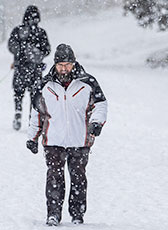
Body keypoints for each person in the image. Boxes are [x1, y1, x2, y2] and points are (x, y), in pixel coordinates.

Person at [26, 44, 108, 226]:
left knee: (78, 176)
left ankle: (77, 214)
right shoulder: (44, 85)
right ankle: (53, 214)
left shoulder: (88, 82)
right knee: (54, 177)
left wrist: (96, 123)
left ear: (74, 63)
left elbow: (101, 104)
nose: (64, 68)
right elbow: (37, 112)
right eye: (61, 64)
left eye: (68, 64)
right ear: (55, 64)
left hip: (80, 140)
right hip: (53, 139)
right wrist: (32, 137)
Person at [8, 5, 51, 130]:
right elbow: (47, 50)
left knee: (18, 92)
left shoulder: (18, 30)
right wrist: (36, 52)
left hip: (20, 67)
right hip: (35, 69)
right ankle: (33, 118)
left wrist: (21, 52)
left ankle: (18, 110)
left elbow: (11, 46)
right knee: (35, 95)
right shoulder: (41, 32)